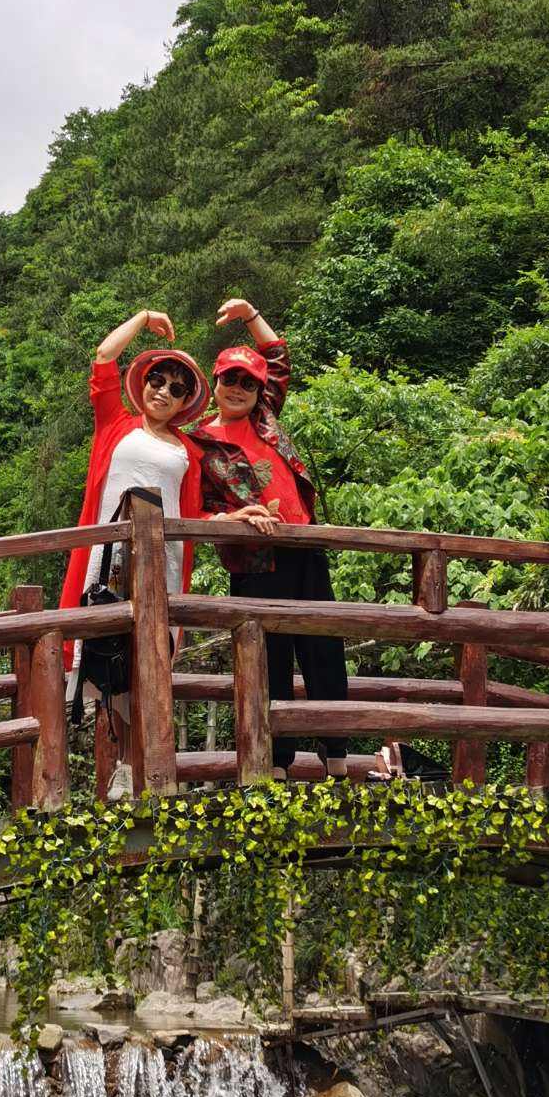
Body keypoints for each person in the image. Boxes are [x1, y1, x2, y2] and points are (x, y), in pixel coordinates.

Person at [195, 296, 351, 772]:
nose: (239, 388)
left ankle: (337, 756)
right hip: (254, 559)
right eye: (231, 379)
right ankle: (277, 762)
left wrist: (250, 315)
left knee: (323, 648)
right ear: (216, 382)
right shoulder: (198, 441)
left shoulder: (265, 418)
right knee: (269, 658)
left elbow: (279, 356)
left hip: (303, 545)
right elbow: (194, 510)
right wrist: (230, 519)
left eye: (248, 381)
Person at [58, 309, 207, 792]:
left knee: (149, 660)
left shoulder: (190, 452)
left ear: (186, 402)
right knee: (105, 654)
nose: (163, 391)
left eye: (176, 388)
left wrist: (233, 518)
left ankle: (145, 770)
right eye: (157, 380)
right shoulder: (115, 425)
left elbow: (193, 516)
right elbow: (103, 358)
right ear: (143, 384)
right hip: (105, 559)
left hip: (161, 567)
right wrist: (143, 318)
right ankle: (121, 767)